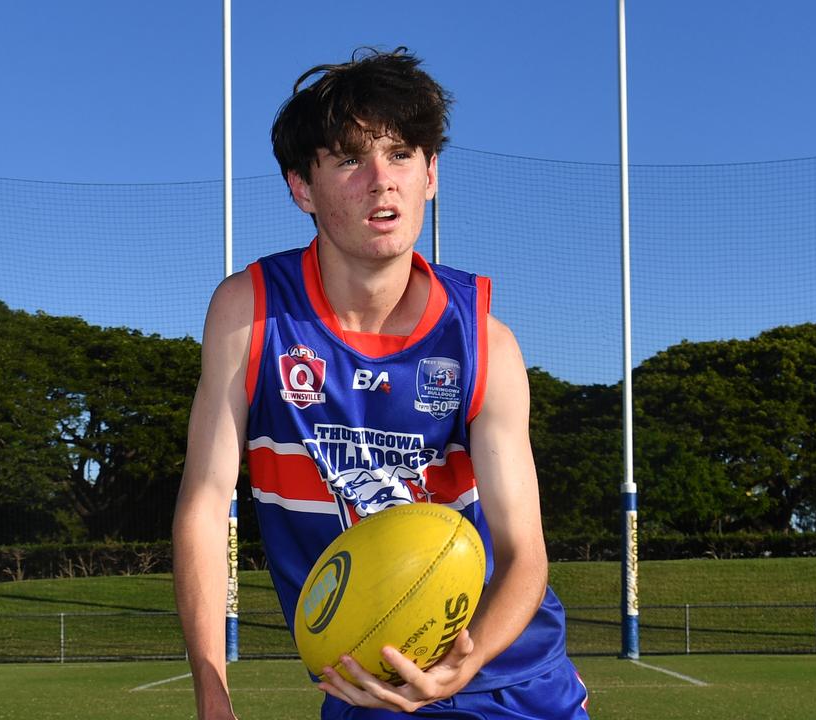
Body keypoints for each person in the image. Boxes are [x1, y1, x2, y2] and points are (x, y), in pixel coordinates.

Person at [173, 48, 589, 719]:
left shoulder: (485, 342)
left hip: (510, 681)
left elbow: (523, 554)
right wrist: (211, 692)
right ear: (301, 187)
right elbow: (204, 505)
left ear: (430, 175)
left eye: (400, 155)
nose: (380, 181)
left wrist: (469, 659)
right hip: (363, 682)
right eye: (347, 159)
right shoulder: (249, 314)